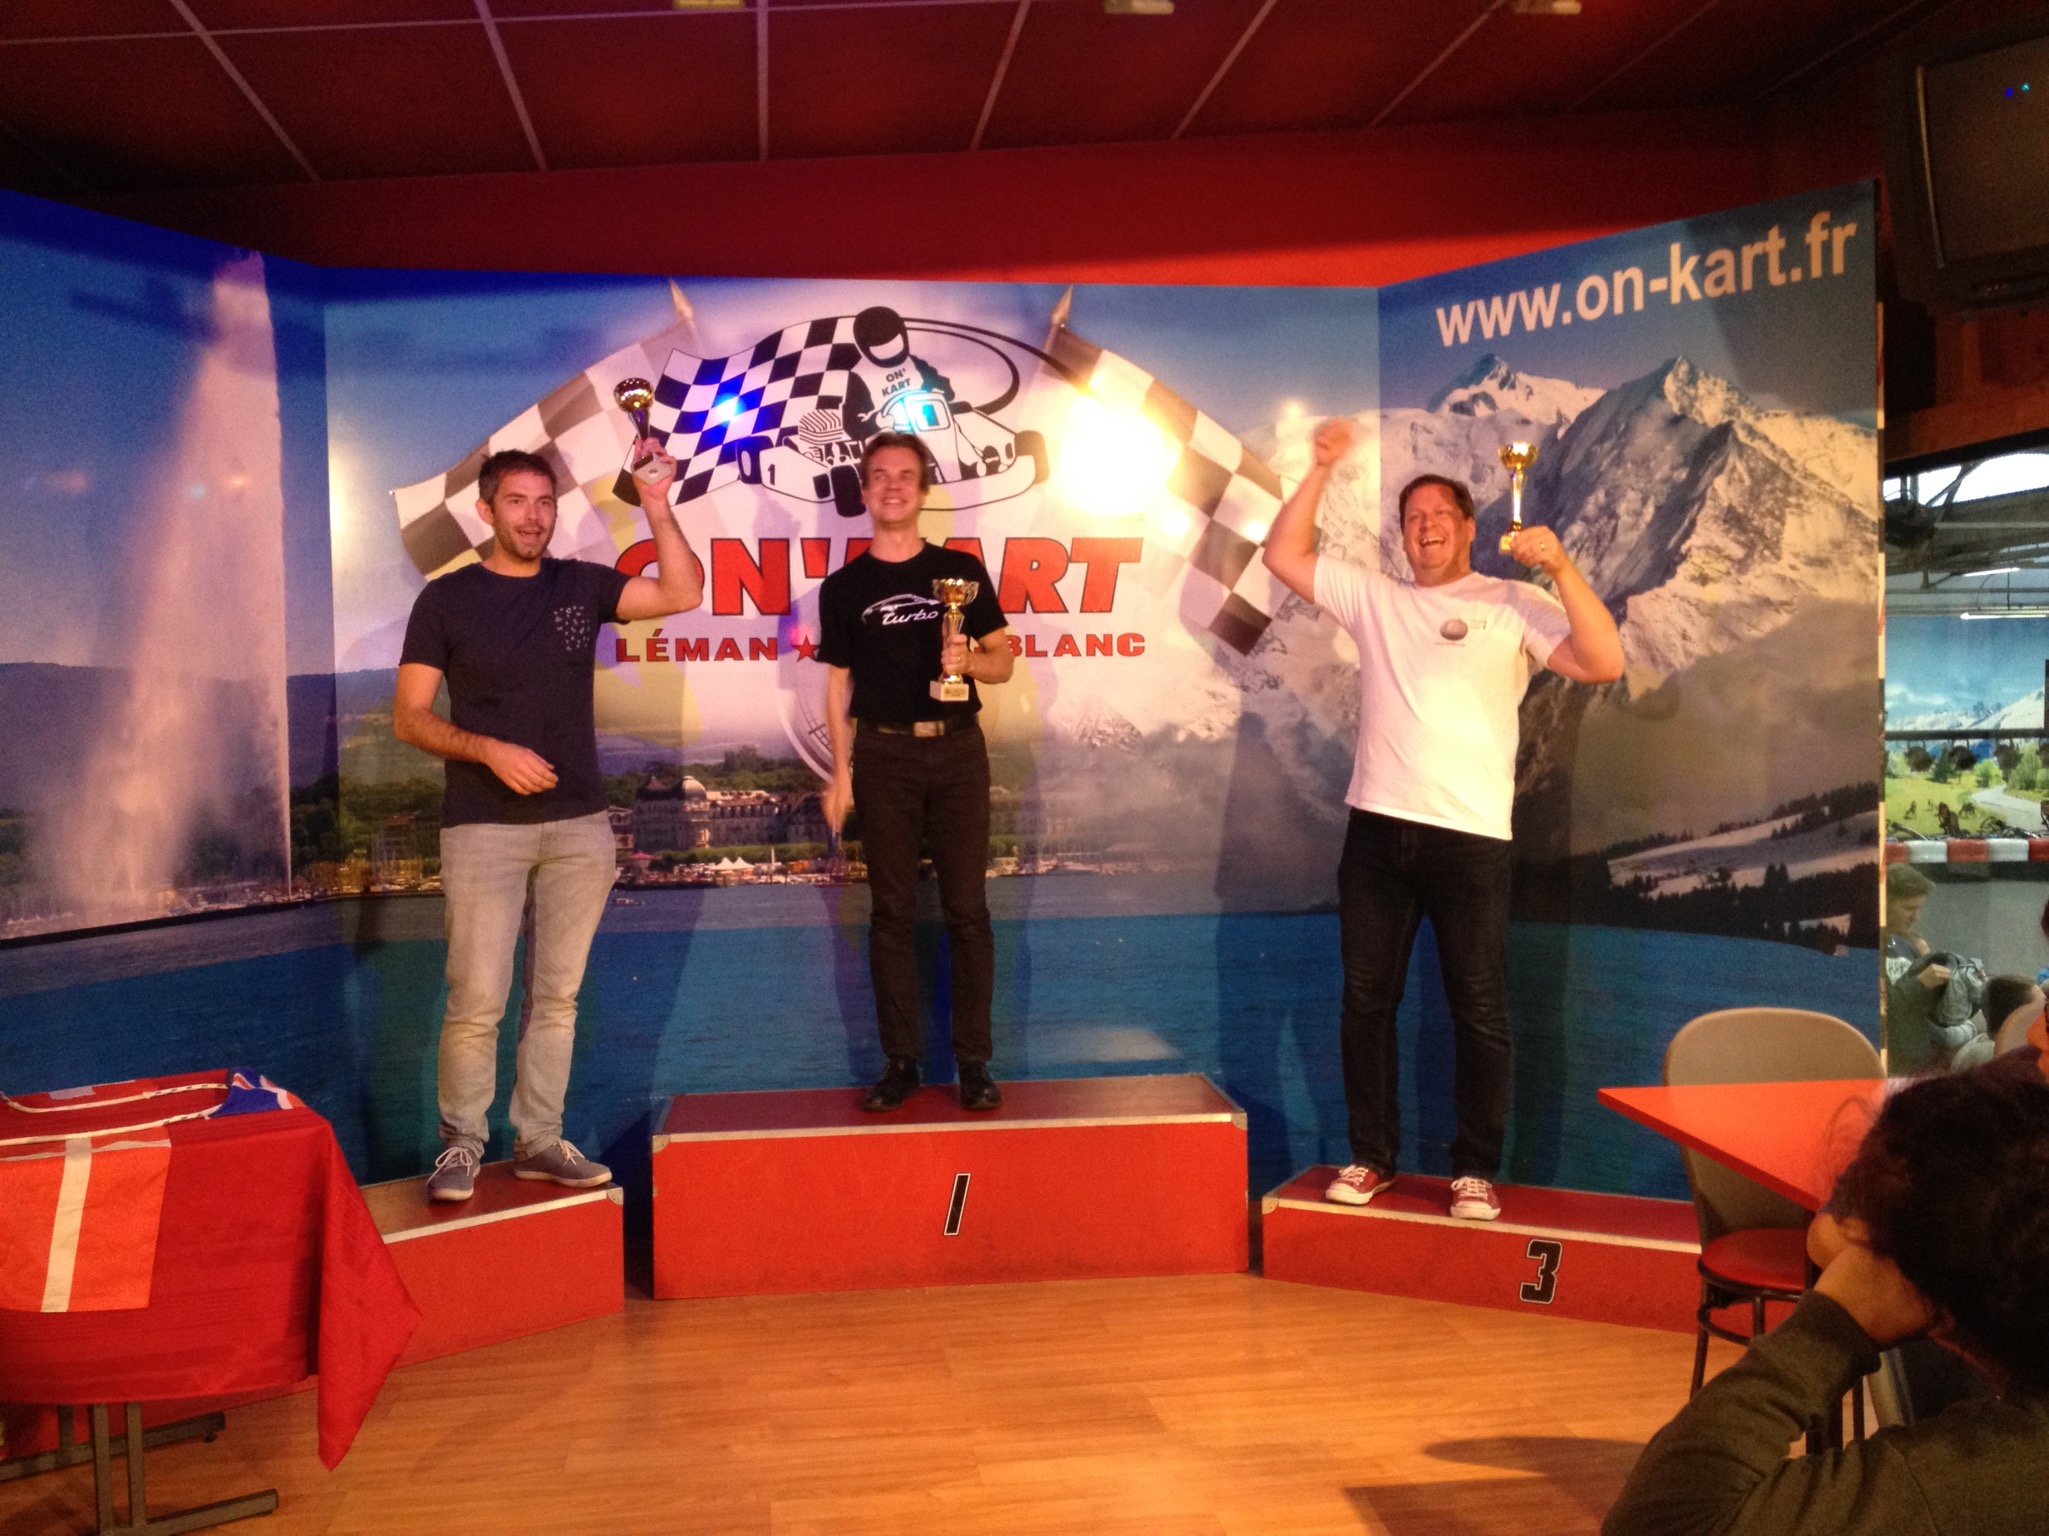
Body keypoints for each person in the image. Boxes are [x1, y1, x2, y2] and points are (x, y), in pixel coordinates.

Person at [1262, 419, 1622, 1219]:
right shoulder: (1377, 598)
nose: (1425, 527)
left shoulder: (1513, 601)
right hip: (1375, 834)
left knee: (1478, 1012)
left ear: (1467, 527)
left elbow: (1603, 662)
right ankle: (1371, 1159)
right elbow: (1282, 556)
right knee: (1365, 1006)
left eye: (1439, 515)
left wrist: (1560, 568)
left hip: (1471, 840)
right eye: (1411, 518)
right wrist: (1319, 468)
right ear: (1401, 536)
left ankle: (1473, 1171)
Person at [395, 442, 703, 1202]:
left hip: (579, 829)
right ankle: (461, 1146)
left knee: (557, 1001)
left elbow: (682, 591)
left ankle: (538, 1141)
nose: (533, 517)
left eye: (544, 502)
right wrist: (487, 749)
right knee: (478, 1001)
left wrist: (656, 503)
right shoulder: (446, 600)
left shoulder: (580, 584)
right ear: (485, 511)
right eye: (516, 502)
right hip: (482, 828)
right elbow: (409, 718)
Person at [1603, 1054, 2049, 1535]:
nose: (2032, 1035)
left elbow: (1657, 1521)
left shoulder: (1969, 1484)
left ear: (1936, 1311)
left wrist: (1831, 1323)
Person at [819, 432, 1013, 1112]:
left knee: (968, 913)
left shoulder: (960, 571)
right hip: (883, 756)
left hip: (957, 751)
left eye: (905, 475)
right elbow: (836, 685)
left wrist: (968, 663)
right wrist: (839, 773)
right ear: (864, 492)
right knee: (891, 915)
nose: (893, 486)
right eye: (880, 476)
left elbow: (1002, 660)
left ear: (924, 490)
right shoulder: (843, 587)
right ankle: (901, 1061)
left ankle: (974, 1065)